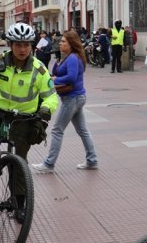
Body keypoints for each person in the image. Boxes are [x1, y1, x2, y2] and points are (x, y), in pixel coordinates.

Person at [0, 23, 59, 220]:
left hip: (23, 118)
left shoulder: (39, 69)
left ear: (31, 46)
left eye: (26, 45)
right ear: (11, 45)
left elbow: (51, 96)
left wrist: (46, 109)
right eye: (18, 45)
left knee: (19, 162)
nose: (22, 49)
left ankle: (19, 203)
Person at [32, 30, 99, 173]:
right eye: (61, 41)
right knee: (83, 130)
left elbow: (71, 77)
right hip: (77, 97)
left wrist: (55, 80)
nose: (60, 43)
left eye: (63, 41)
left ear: (71, 44)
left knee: (57, 130)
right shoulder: (70, 57)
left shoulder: (73, 58)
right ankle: (92, 160)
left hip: (72, 98)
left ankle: (49, 164)